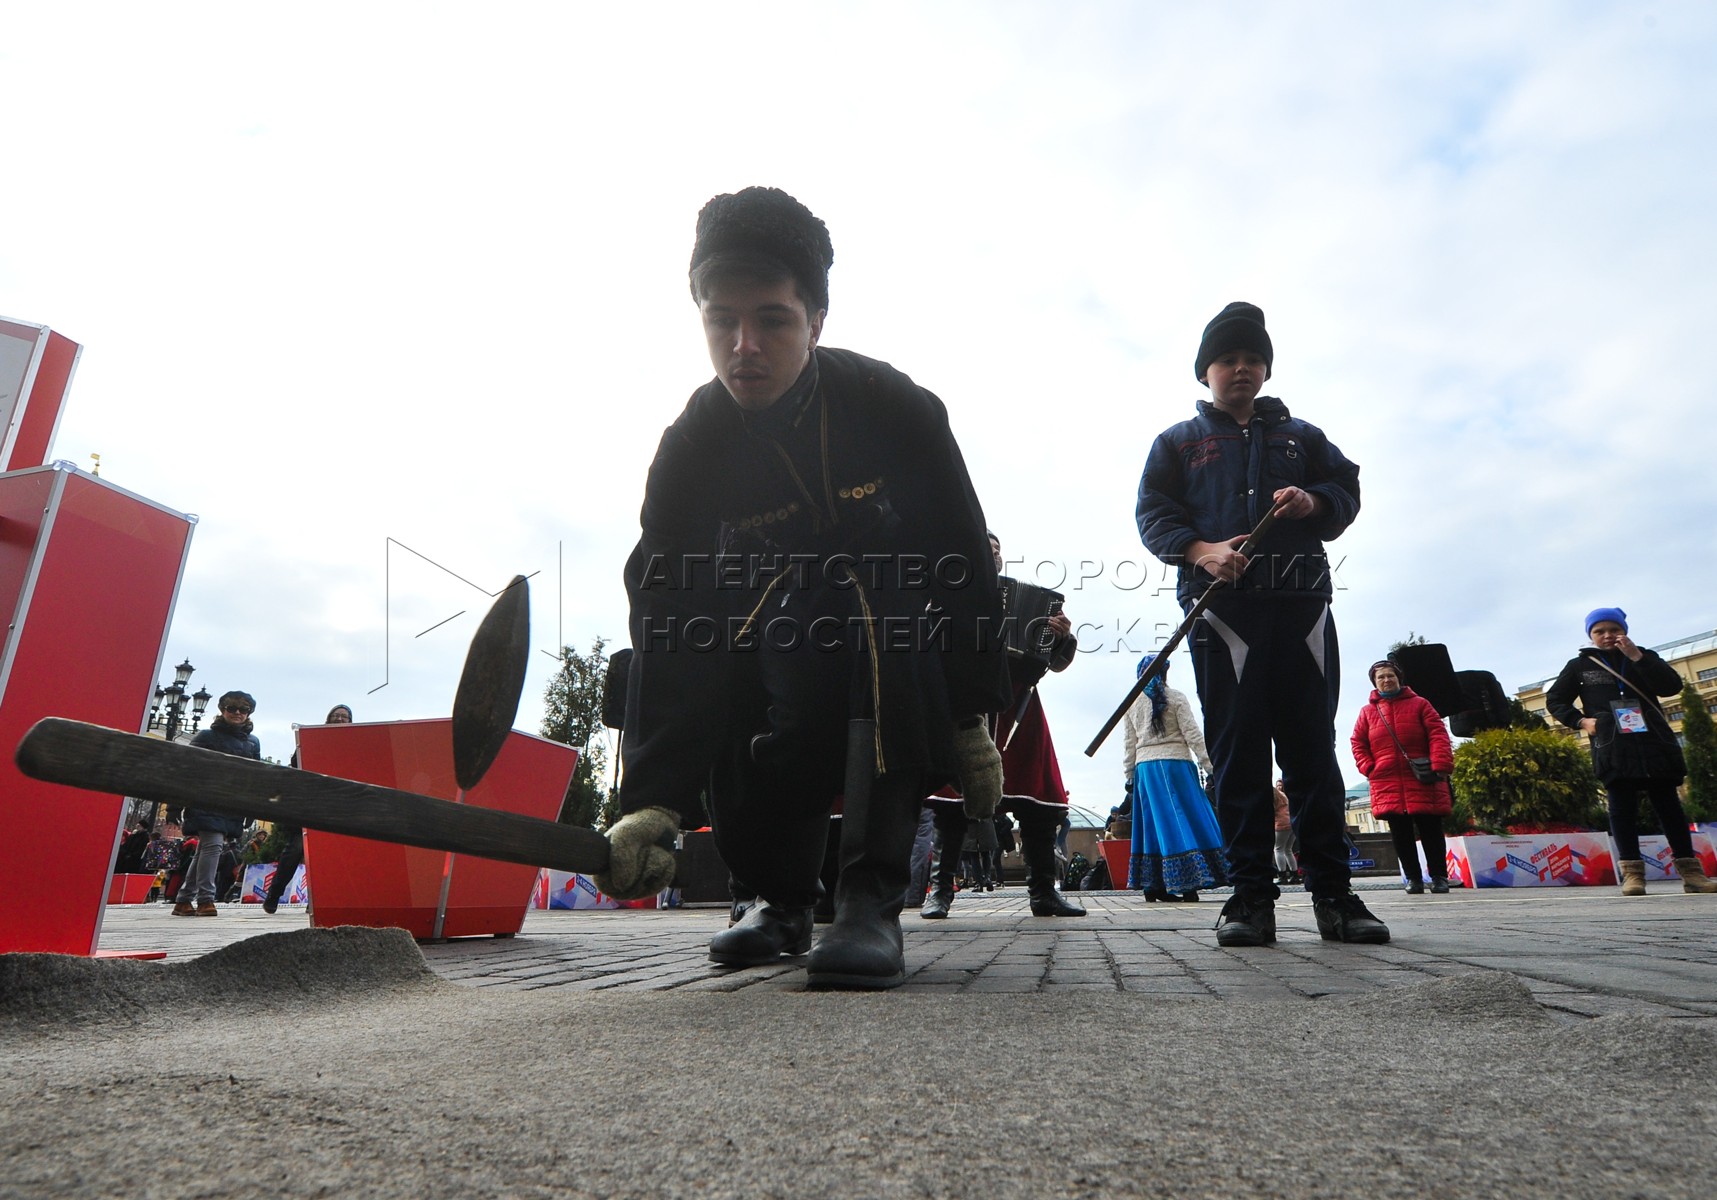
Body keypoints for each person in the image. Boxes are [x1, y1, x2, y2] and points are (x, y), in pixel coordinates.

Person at [594, 187, 1009, 990]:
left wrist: (969, 713)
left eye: (772, 320)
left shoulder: (892, 407)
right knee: (722, 639)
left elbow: (958, 556)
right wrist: (654, 798)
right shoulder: (692, 447)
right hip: (770, 619)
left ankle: (868, 903)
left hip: (888, 628)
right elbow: (666, 610)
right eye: (721, 320)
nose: (743, 347)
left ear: (815, 321)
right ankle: (776, 898)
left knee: (881, 615)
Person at [1137, 302, 1388, 947]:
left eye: (1253, 359)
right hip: (1221, 616)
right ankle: (1250, 897)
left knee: (1312, 753)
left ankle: (1334, 895)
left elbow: (1345, 489)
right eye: (1228, 359)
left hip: (1303, 610)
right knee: (1236, 755)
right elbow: (1153, 513)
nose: (1241, 369)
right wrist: (1201, 551)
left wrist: (1314, 500)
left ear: (1267, 369)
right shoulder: (1177, 443)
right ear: (1205, 372)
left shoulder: (1302, 437)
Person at [920, 532, 1087, 921]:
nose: (994, 555)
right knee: (951, 805)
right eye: (987, 549)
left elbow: (1056, 664)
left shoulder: (1034, 601)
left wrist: (1060, 637)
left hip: (1019, 704)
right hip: (968, 704)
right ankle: (939, 892)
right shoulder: (944, 593)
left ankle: (1043, 893)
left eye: (998, 551)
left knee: (1037, 800)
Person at [1545, 608, 1717, 897]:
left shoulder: (1644, 656)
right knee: (1621, 808)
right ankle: (1633, 875)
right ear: (1591, 635)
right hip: (1613, 743)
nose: (1608, 635)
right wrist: (1582, 722)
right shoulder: (1579, 665)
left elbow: (1671, 686)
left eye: (1614, 629)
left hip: (1653, 741)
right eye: (1600, 631)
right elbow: (1555, 700)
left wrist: (1637, 657)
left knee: (1669, 807)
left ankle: (1692, 874)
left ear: (1624, 631)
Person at [1121, 653, 1226, 902]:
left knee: (1152, 824)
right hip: (1175, 765)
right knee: (1181, 819)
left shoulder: (1131, 703)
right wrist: (1210, 767)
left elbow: (1129, 743)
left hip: (1145, 770)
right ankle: (1188, 884)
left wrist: (1129, 774)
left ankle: (1152, 886)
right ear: (1165, 673)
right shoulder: (1176, 698)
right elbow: (1193, 735)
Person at [1351, 660, 1454, 894]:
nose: (1386, 680)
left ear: (1399, 679)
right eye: (1381, 677)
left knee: (1431, 829)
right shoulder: (1367, 712)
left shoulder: (1420, 704)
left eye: (1390, 676)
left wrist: (1440, 763)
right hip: (1386, 779)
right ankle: (1413, 879)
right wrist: (1369, 767)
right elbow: (1358, 742)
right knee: (1400, 833)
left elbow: (1438, 734)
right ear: (1375, 683)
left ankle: (1439, 877)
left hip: (1422, 775)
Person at [175, 691, 261, 916]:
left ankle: (184, 899)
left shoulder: (252, 742)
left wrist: (251, 806)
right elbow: (186, 769)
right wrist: (176, 803)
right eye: (232, 708)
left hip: (231, 803)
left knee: (206, 849)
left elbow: (254, 776)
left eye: (243, 709)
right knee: (213, 846)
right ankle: (206, 899)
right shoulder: (206, 737)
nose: (237, 713)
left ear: (249, 713)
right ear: (222, 710)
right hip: (206, 799)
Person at [263, 704, 354, 913]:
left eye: (345, 717)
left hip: (336, 806)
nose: (340, 719)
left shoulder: (352, 743)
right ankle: (274, 894)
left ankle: (316, 901)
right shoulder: (312, 738)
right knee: (295, 849)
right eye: (336, 716)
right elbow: (297, 763)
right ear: (328, 719)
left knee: (328, 856)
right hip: (310, 802)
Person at [1271, 780, 1299, 886]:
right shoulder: (1284, 795)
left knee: (1278, 849)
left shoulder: (1273, 796)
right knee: (1288, 850)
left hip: (1281, 824)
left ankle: (1282, 876)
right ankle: (1294, 875)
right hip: (1291, 823)